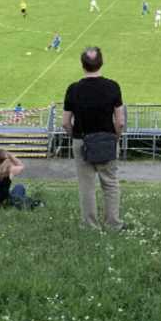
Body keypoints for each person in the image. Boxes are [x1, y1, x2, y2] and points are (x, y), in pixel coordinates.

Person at [61, 47, 126, 231]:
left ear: (82, 65)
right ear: (101, 63)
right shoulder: (113, 86)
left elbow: (65, 122)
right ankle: (113, 223)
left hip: (82, 141)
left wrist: (75, 136)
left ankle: (90, 225)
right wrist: (116, 138)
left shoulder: (73, 89)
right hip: (107, 139)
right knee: (110, 183)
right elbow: (120, 121)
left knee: (86, 186)